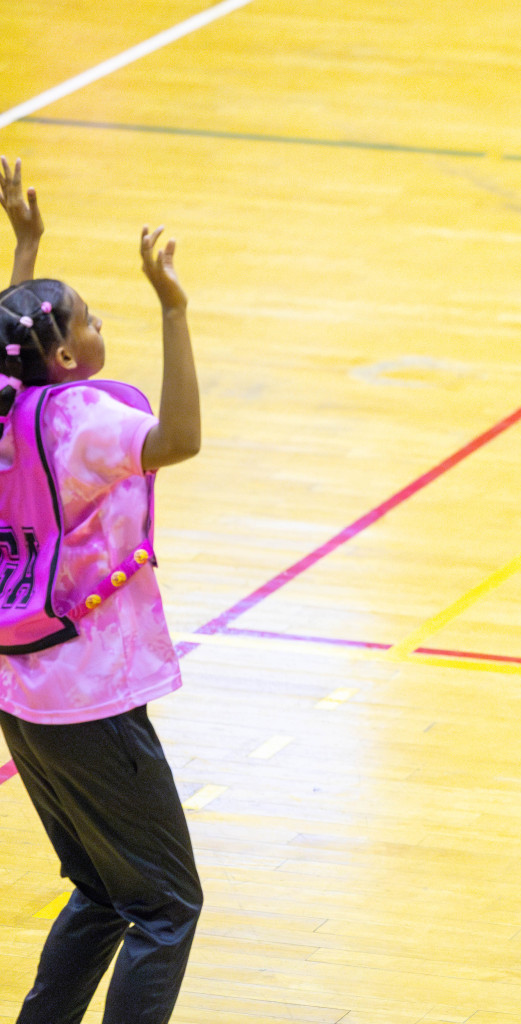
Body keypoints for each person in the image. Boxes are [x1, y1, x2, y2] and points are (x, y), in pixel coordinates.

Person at [0, 156, 204, 1024]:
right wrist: (173, 308)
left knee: (99, 887)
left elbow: (10, 346)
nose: (98, 321)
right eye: (88, 318)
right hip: (90, 701)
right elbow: (180, 439)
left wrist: (27, 247)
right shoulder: (80, 425)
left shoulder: (8, 407)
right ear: (65, 353)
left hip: (21, 690)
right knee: (164, 905)